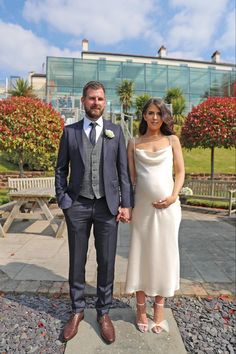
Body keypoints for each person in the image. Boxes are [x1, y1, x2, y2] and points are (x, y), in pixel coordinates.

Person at [55, 81, 133, 344]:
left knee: (107, 261)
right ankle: (77, 311)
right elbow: (60, 170)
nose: (96, 103)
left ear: (105, 102)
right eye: (91, 98)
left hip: (107, 206)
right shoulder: (70, 132)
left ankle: (103, 312)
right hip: (77, 204)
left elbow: (123, 172)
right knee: (77, 260)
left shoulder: (116, 132)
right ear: (83, 101)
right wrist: (63, 200)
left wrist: (126, 204)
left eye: (100, 99)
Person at [125, 98, 185, 334]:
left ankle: (159, 310)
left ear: (164, 117)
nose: (154, 117)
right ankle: (140, 309)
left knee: (164, 256)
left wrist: (172, 196)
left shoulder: (172, 140)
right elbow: (131, 179)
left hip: (168, 209)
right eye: (150, 113)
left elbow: (180, 172)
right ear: (143, 116)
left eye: (158, 113)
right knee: (141, 255)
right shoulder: (133, 142)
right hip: (142, 209)